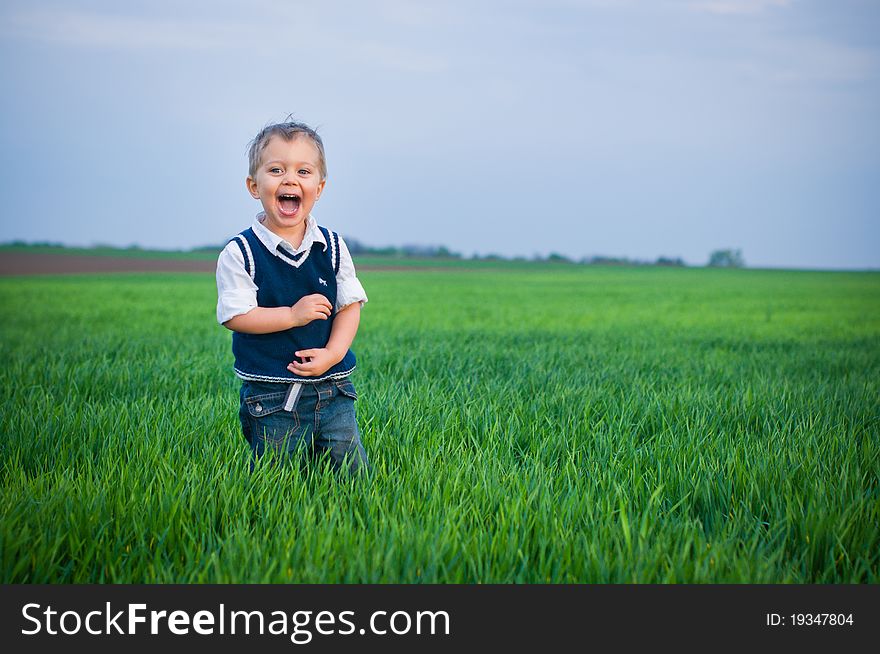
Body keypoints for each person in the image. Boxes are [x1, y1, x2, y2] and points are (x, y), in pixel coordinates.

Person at [216, 119, 369, 475]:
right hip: (272, 395)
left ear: (320, 187)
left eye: (303, 170)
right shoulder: (241, 253)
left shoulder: (331, 246)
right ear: (254, 186)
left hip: (334, 389)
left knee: (351, 474)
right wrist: (292, 315)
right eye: (276, 169)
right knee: (275, 478)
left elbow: (349, 306)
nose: (290, 179)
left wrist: (333, 354)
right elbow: (236, 315)